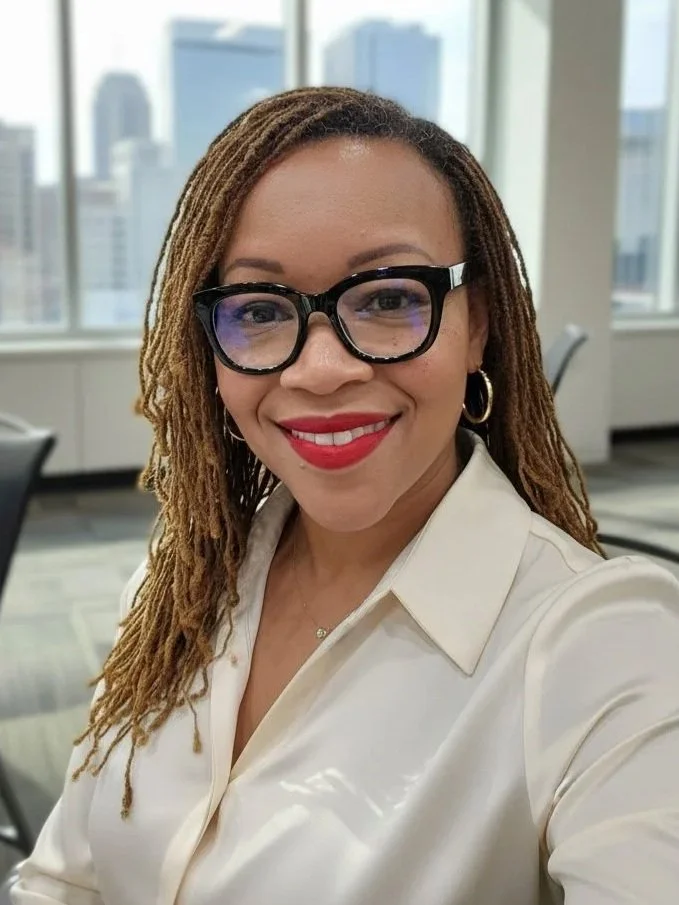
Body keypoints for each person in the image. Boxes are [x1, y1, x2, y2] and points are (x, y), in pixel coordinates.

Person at [11, 87, 679, 904]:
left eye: (391, 297)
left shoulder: (602, 645)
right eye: (258, 309)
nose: (321, 369)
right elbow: (63, 877)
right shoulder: (173, 591)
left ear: (478, 325)